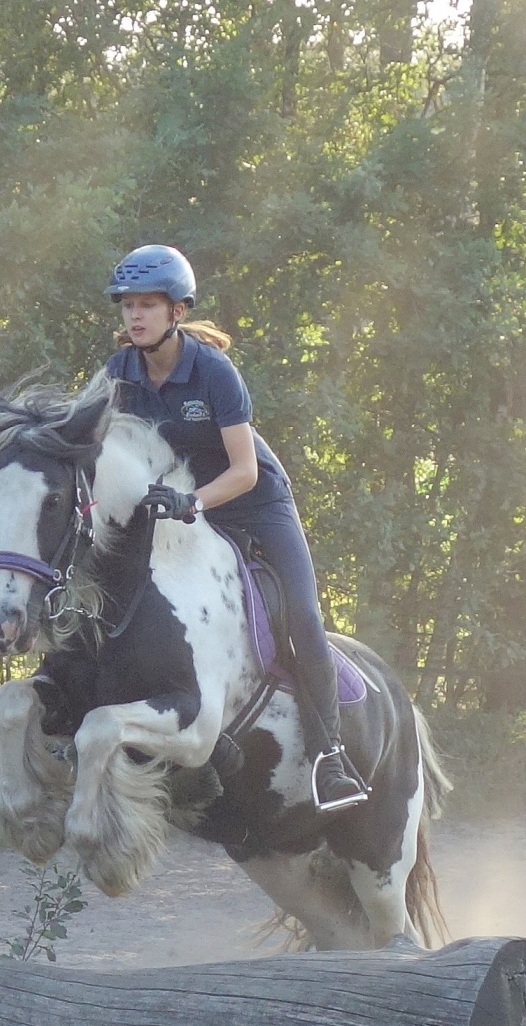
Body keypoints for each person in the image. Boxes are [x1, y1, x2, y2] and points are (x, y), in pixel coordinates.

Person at [100, 244, 369, 812]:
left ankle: (331, 758)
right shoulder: (118, 370)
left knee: (301, 615)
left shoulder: (213, 371)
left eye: (148, 304)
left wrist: (191, 502)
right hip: (177, 503)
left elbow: (244, 471)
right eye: (128, 306)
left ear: (177, 311)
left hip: (253, 504)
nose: (135, 316)